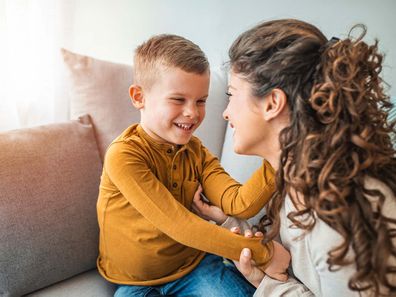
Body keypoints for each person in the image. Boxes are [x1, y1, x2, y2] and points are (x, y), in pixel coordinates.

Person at [193, 19, 396, 296]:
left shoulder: (340, 217)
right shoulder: (301, 178)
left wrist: (271, 286)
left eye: (232, 95)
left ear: (273, 103)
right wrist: (227, 223)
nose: (226, 112)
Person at [96, 34, 290, 297]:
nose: (193, 112)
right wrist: (262, 252)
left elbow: (239, 202)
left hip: (194, 267)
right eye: (178, 99)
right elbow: (180, 224)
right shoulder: (124, 155)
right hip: (134, 282)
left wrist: (278, 157)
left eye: (201, 100)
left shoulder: (196, 152)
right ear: (139, 96)